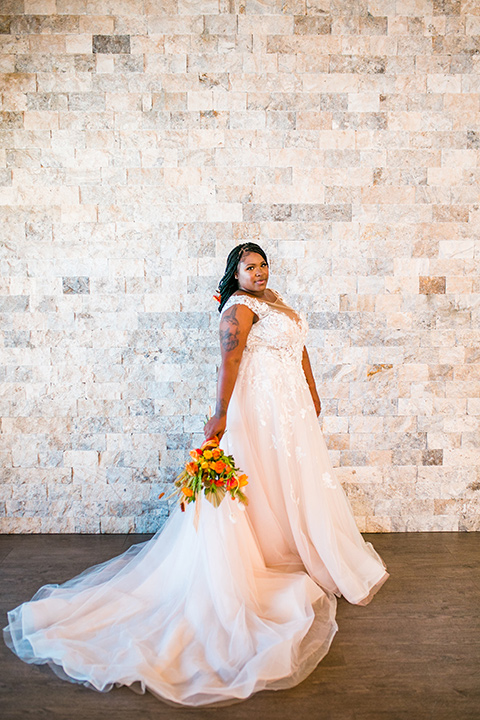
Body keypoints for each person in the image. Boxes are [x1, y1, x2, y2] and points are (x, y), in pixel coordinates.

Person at [3, 243, 388, 708]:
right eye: (250, 267)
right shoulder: (238, 308)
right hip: (259, 412)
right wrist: (221, 414)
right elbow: (230, 361)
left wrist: (312, 391)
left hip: (290, 413)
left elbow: (300, 349)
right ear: (236, 273)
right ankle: (269, 554)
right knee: (261, 483)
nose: (260, 272)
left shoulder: (278, 302)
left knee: (296, 481)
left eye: (263, 264)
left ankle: (306, 546)